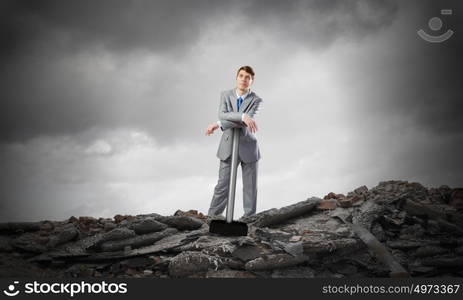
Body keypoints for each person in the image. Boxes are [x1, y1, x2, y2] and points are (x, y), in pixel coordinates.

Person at [204, 65, 263, 218]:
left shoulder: (256, 100)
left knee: (250, 187)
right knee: (222, 185)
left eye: (247, 77)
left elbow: (234, 121)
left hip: (248, 148)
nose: (244, 79)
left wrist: (219, 124)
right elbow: (222, 114)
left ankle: (249, 219)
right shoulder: (225, 95)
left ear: (252, 81)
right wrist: (243, 117)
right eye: (241, 76)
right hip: (228, 146)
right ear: (237, 77)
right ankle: (213, 217)